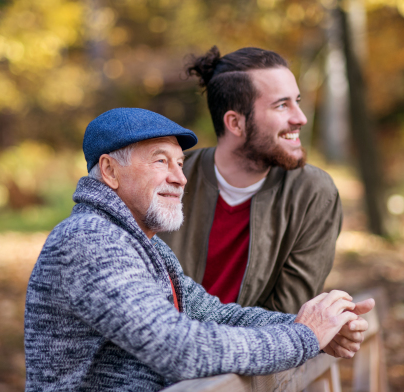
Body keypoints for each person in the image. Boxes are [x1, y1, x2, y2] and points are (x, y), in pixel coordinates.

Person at [24, 108, 373, 392]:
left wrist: (319, 328)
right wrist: (303, 336)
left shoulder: (147, 247)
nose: (181, 178)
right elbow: (178, 348)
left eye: (180, 162)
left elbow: (215, 315)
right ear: (110, 171)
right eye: (161, 161)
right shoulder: (90, 240)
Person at [160, 46, 342, 315]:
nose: (300, 118)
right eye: (282, 105)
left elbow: (286, 316)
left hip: (253, 354)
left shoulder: (313, 194)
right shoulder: (166, 180)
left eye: (297, 101)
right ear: (235, 123)